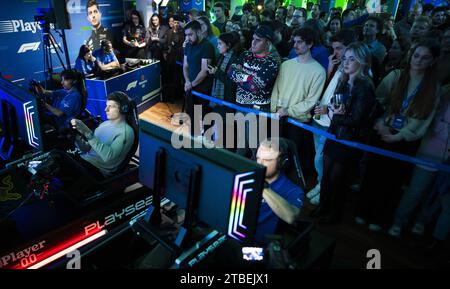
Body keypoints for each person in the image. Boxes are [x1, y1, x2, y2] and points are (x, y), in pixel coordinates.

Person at [355, 39, 442, 231]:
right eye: (416, 55)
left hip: (404, 142)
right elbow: (377, 101)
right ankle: (363, 211)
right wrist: (381, 124)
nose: (418, 60)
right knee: (372, 175)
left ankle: (380, 218)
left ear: (433, 61)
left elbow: (424, 120)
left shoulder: (432, 88)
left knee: (392, 182)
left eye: (425, 58)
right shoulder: (395, 75)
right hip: (381, 133)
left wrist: (401, 135)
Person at [271, 27, 326, 185]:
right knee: (277, 154)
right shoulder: (286, 65)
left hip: (298, 121)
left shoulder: (318, 71)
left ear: (310, 44)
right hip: (279, 116)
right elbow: (277, 88)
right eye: (294, 41)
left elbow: (311, 100)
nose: (295, 45)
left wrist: (289, 111)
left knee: (293, 158)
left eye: (300, 42)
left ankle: (289, 188)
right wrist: (275, 108)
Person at [307, 29, 357, 205]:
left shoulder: (353, 73)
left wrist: (328, 110)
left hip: (332, 123)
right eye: (333, 48)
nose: (335, 52)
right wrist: (329, 68)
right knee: (318, 157)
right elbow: (325, 90)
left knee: (321, 158)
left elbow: (347, 104)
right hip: (319, 119)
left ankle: (323, 187)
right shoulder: (336, 66)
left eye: (339, 48)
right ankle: (322, 184)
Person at [71, 91, 135, 177]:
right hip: (84, 161)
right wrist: (76, 137)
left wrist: (88, 133)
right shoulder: (104, 124)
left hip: (98, 170)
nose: (106, 110)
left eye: (111, 107)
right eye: (106, 106)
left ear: (123, 108)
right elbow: (87, 149)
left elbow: (109, 158)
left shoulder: (126, 132)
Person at [255, 138, 303, 244]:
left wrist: (262, 186)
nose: (259, 164)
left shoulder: (293, 190)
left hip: (259, 243)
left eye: (267, 160)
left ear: (282, 162)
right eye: (258, 158)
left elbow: (291, 216)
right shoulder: (247, 174)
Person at [183, 20, 215, 135]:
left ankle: (206, 146)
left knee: (205, 118)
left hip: (203, 89)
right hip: (190, 87)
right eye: (186, 35)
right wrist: (187, 81)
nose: (188, 37)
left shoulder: (207, 46)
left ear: (199, 31)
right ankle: (193, 139)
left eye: (190, 34)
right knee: (192, 116)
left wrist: (191, 84)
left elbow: (204, 71)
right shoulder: (188, 45)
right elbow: (185, 65)